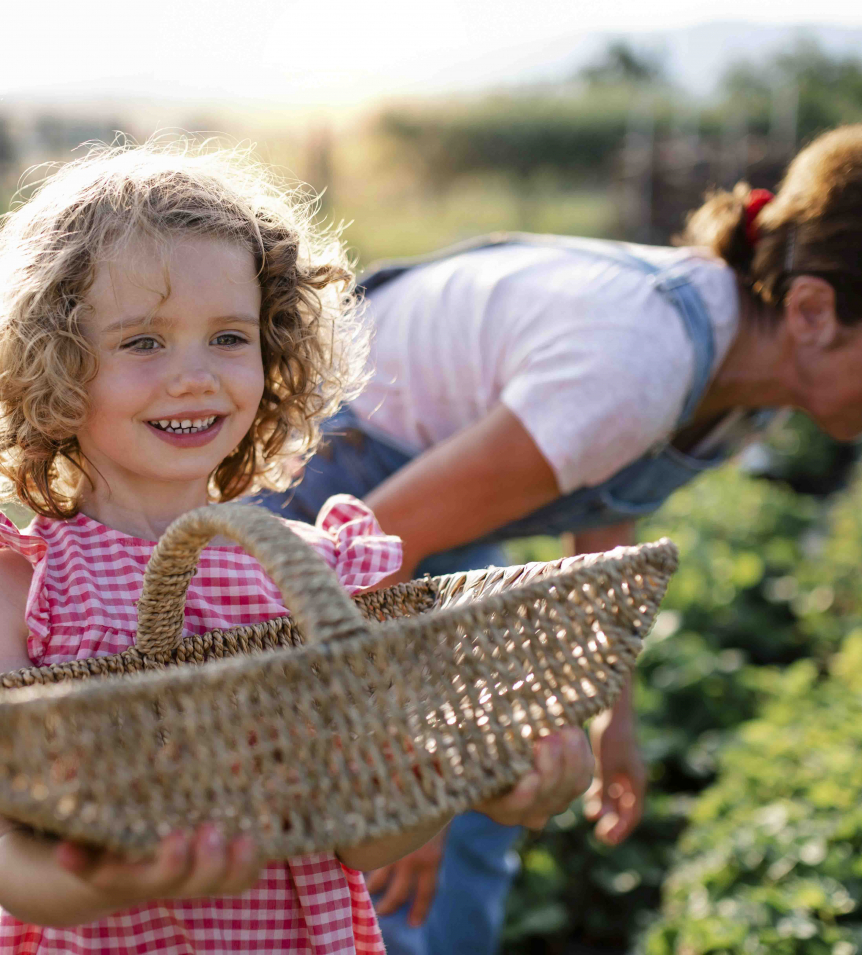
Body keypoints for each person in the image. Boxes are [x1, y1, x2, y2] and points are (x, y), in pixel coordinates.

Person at [261, 121, 862, 955]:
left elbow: (603, 493)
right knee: (373, 840)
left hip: (416, 510)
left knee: (487, 797)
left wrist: (608, 714)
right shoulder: (639, 358)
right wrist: (404, 772)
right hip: (329, 495)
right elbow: (372, 550)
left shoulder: (750, 370)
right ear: (813, 308)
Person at [0, 142, 595, 954]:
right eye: (144, 342)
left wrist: (464, 778)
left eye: (229, 337)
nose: (195, 376)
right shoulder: (25, 585)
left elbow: (358, 838)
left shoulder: (314, 575)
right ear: (55, 364)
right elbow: (11, 861)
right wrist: (110, 877)